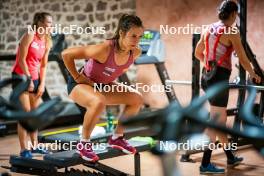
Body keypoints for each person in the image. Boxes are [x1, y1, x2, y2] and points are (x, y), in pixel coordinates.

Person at [62, 14, 144, 162]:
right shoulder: (104, 49)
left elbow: (117, 69)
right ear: (121, 33)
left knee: (136, 98)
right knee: (98, 101)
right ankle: (83, 144)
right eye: (133, 36)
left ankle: (117, 138)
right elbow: (66, 54)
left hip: (102, 85)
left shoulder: (136, 52)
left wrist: (110, 81)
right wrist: (77, 77)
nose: (137, 40)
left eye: (140, 36)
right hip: (80, 85)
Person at [195, 0, 261, 174]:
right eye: (236, 15)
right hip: (218, 79)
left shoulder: (208, 28)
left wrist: (210, 66)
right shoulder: (232, 30)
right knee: (216, 122)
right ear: (233, 15)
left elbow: (198, 53)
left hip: (206, 77)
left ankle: (230, 157)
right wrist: (254, 74)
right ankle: (205, 163)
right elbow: (243, 57)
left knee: (220, 119)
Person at [12, 12, 53, 158]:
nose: (51, 26)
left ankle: (34, 146)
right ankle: (24, 150)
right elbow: (21, 60)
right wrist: (28, 79)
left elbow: (43, 66)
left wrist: (42, 84)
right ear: (40, 22)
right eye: (48, 22)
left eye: (51, 23)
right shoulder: (30, 35)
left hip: (35, 79)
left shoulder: (47, 41)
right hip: (21, 76)